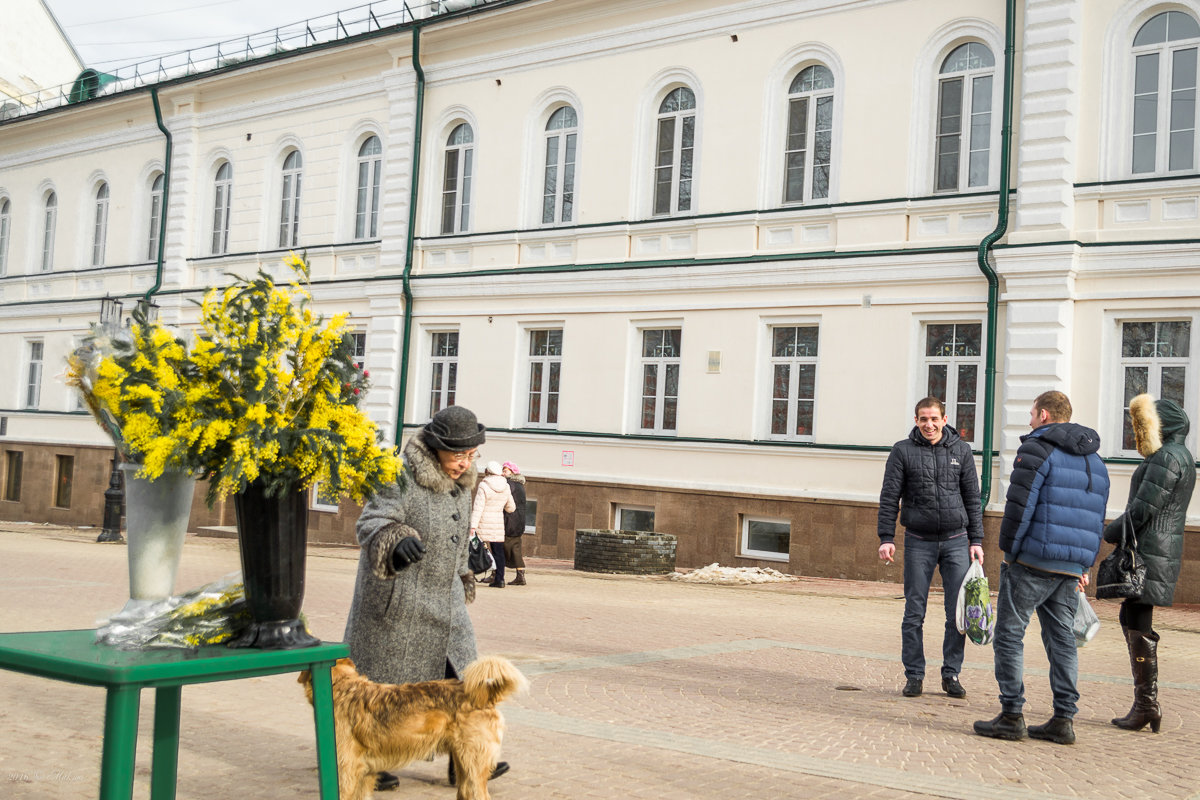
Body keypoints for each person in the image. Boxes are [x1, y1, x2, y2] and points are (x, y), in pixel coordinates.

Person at [343, 405, 508, 790]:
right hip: (398, 601)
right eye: (457, 454)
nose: (464, 463)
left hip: (445, 596)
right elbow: (372, 521)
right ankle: (372, 760)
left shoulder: (464, 479)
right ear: (434, 447)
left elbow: (456, 535)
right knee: (385, 691)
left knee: (463, 678)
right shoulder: (399, 474)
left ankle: (465, 757)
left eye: (471, 455)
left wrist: (466, 568)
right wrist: (396, 540)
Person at [974, 391, 1109, 745]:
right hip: (1070, 566)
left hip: (1031, 560)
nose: (1030, 420)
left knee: (1009, 634)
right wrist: (1084, 564)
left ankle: (1012, 714)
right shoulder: (1095, 461)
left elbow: (1019, 506)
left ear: (1045, 415)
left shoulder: (1036, 448)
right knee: (1062, 639)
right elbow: (1095, 518)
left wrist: (1009, 552)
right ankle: (1064, 720)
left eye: (1032, 414)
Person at [877, 396, 984, 699]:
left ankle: (951, 673)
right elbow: (889, 497)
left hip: (956, 541)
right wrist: (886, 537)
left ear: (944, 419)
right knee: (914, 613)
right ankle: (914, 675)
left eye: (934, 418)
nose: (929, 424)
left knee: (957, 614)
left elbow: (973, 499)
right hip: (918, 542)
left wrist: (976, 541)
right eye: (923, 419)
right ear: (916, 421)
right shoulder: (902, 451)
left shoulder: (961, 451)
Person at [1104, 394, 1196, 733]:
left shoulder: (1167, 458)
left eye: (1144, 423)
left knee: (1138, 619)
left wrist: (1112, 530)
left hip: (1152, 551)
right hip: (1157, 550)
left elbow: (1144, 508)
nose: (1138, 430)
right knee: (1131, 617)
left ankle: (1147, 704)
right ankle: (1145, 702)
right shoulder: (1178, 455)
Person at [471, 460, 515, 588]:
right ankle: (499, 579)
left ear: (488, 472)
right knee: (498, 552)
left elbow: (478, 507)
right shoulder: (506, 486)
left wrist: (473, 526)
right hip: (497, 523)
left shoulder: (484, 485)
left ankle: (470, 574)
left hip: (483, 522)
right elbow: (511, 507)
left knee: (476, 549)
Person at [502, 461, 528, 586]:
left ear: (512, 472)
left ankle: (496, 574)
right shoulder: (520, 485)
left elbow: (505, 501)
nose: (503, 473)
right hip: (519, 522)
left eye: (505, 471)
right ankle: (520, 575)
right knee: (516, 549)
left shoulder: (509, 484)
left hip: (509, 521)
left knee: (500, 547)